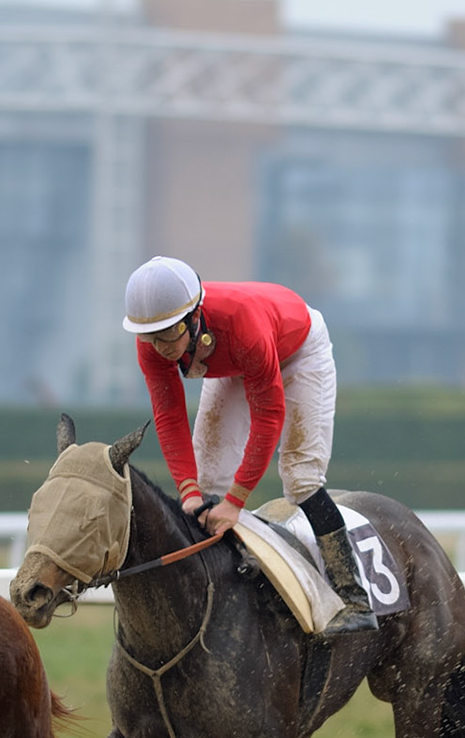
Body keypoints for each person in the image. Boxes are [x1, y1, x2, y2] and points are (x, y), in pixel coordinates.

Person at [122, 255, 377, 635]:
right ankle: (219, 590)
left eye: (168, 335)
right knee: (207, 482)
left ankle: (353, 598)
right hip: (233, 360)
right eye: (150, 337)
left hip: (297, 349)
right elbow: (169, 416)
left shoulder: (241, 325)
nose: (159, 348)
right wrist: (189, 492)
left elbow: (269, 415)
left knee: (300, 479)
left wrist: (236, 502)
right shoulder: (156, 342)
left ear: (194, 318)